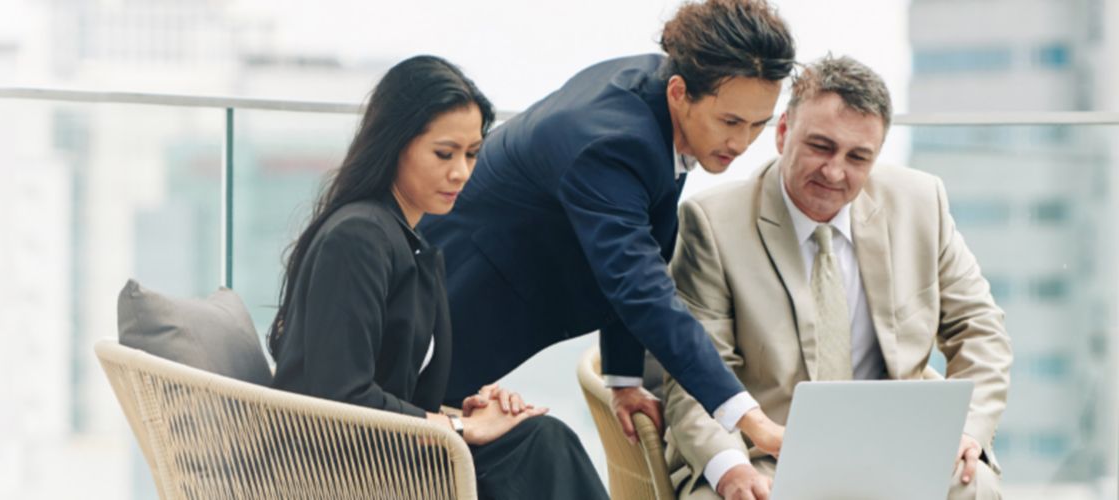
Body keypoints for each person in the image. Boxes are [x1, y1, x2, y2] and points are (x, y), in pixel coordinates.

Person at [414, 0, 798, 453]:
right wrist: (750, 420)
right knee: (403, 457)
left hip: (489, 288)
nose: (742, 142)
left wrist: (624, 378)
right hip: (446, 300)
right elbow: (639, 284)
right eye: (730, 121)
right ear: (680, 93)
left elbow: (642, 235)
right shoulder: (613, 144)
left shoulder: (666, 91)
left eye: (758, 125)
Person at [661, 54, 1011, 500]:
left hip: (897, 446)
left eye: (858, 157)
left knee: (972, 486)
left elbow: (981, 329)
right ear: (783, 133)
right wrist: (730, 468)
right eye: (820, 146)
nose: (834, 171)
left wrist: (967, 429)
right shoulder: (711, 223)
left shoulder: (921, 204)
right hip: (763, 453)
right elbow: (695, 372)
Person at [268, 54, 605, 499]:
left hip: (389, 455)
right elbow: (340, 397)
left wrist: (470, 412)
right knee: (543, 449)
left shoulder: (407, 240)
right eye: (444, 154)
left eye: (472, 154)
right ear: (396, 143)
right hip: (338, 471)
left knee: (540, 440)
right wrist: (460, 427)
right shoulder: (358, 238)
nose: (460, 172)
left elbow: (398, 390)